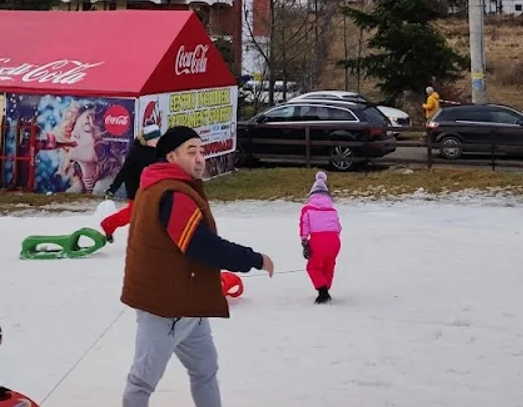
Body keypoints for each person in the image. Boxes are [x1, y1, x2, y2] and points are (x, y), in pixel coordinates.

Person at [121, 126, 273, 407]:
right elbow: (201, 245)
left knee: (205, 370)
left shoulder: (162, 185)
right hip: (164, 307)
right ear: (171, 156)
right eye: (191, 152)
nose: (200, 158)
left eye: (201, 151)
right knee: (142, 381)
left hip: (188, 302)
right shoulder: (172, 194)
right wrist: (252, 258)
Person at [100, 121, 162, 242]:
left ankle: (151, 236)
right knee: (133, 213)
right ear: (147, 140)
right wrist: (113, 188)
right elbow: (124, 171)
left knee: (153, 211)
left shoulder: (157, 151)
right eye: (156, 139)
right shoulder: (136, 152)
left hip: (151, 187)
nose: (158, 141)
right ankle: (108, 224)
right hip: (136, 188)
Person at [299, 171, 342, 304]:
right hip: (334, 241)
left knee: (313, 267)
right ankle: (326, 287)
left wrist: (304, 239)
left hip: (318, 240)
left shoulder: (308, 209)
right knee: (329, 265)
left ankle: (322, 291)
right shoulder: (332, 210)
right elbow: (338, 227)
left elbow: (304, 224)